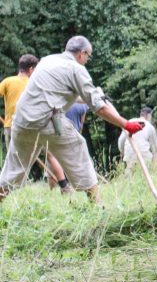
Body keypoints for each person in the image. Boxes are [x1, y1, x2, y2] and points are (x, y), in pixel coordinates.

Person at [0, 36, 145, 204]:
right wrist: (126, 124)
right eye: (88, 56)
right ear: (82, 53)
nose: (87, 61)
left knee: (13, 172)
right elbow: (99, 108)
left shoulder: (47, 61)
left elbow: (55, 92)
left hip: (20, 122)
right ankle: (97, 206)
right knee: (79, 148)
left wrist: (95, 96)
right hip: (46, 121)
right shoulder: (76, 69)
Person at [0, 54, 39, 161]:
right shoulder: (34, 83)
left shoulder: (8, 81)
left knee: (12, 161)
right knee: (26, 161)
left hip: (10, 126)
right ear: (31, 69)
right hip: (29, 127)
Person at [118, 107, 157, 174]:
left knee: (130, 176)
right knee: (144, 175)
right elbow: (155, 149)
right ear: (149, 116)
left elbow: (121, 141)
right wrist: (155, 164)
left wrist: (123, 152)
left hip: (129, 155)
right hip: (144, 156)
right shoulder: (149, 126)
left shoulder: (129, 122)